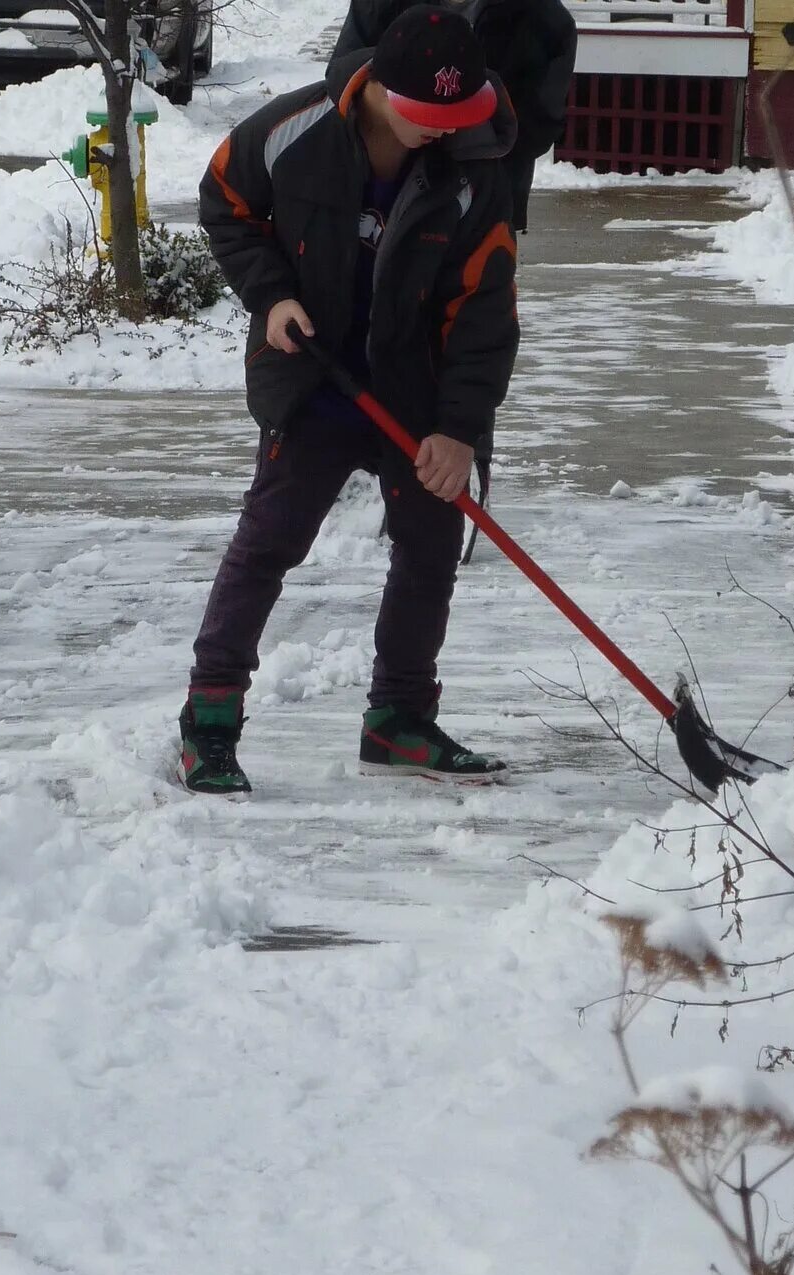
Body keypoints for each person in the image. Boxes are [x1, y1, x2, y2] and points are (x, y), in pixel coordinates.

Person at [179, 4, 519, 796]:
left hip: (419, 395)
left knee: (430, 552)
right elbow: (224, 201)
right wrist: (271, 297)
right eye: (427, 117)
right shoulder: (295, 132)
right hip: (317, 378)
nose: (444, 131)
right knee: (269, 543)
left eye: (455, 116)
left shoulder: (471, 172)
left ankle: (398, 719)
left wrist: (459, 431)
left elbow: (484, 313)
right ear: (376, 90)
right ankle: (211, 720)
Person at [330, 0, 577, 233]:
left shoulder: (542, 15)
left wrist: (472, 130)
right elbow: (344, 75)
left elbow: (538, 126)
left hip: (483, 192)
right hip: (380, 185)